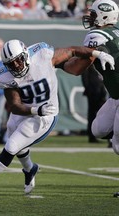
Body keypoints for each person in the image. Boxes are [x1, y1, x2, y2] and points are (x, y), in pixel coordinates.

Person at [0, 39, 114, 196]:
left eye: (19, 60)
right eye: (11, 63)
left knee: (12, 146)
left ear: (25, 54)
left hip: (46, 116)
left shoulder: (43, 55)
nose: (17, 65)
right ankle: (30, 169)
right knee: (18, 145)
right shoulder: (5, 77)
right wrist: (36, 109)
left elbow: (72, 50)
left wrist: (97, 53)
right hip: (27, 111)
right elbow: (15, 106)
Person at [80, 0, 119, 196]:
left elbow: (78, 65)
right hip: (115, 96)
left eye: (94, 14)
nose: (91, 18)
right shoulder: (115, 33)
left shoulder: (97, 35)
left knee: (118, 146)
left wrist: (58, 60)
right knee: (98, 129)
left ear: (105, 16)